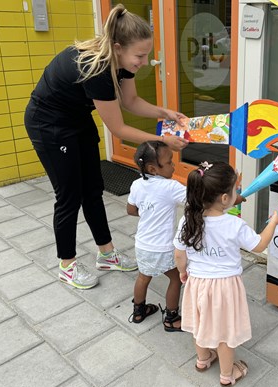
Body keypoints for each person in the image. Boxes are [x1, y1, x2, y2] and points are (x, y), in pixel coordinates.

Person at [24, 4, 188, 289]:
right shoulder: (96, 68)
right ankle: (67, 264)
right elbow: (118, 128)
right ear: (117, 47)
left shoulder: (122, 63)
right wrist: (164, 140)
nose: (145, 61)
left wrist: (166, 113)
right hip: (48, 125)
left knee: (93, 189)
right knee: (69, 196)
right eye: (140, 55)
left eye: (146, 53)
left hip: (75, 119)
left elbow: (131, 102)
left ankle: (107, 254)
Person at [174, 161, 278, 387]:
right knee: (224, 333)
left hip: (197, 283)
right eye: (236, 190)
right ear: (224, 199)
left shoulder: (189, 219)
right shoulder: (234, 224)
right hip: (224, 287)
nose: (238, 193)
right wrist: (273, 222)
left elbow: (178, 254)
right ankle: (227, 374)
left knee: (200, 323)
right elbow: (260, 245)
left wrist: (183, 272)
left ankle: (203, 360)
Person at [126, 141, 185, 329]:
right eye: (169, 162)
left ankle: (138, 312)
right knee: (176, 278)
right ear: (153, 168)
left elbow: (131, 210)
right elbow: (198, 198)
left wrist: (147, 212)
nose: (173, 166)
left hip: (142, 245)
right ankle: (171, 318)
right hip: (163, 248)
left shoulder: (136, 184)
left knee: (143, 277)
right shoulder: (171, 187)